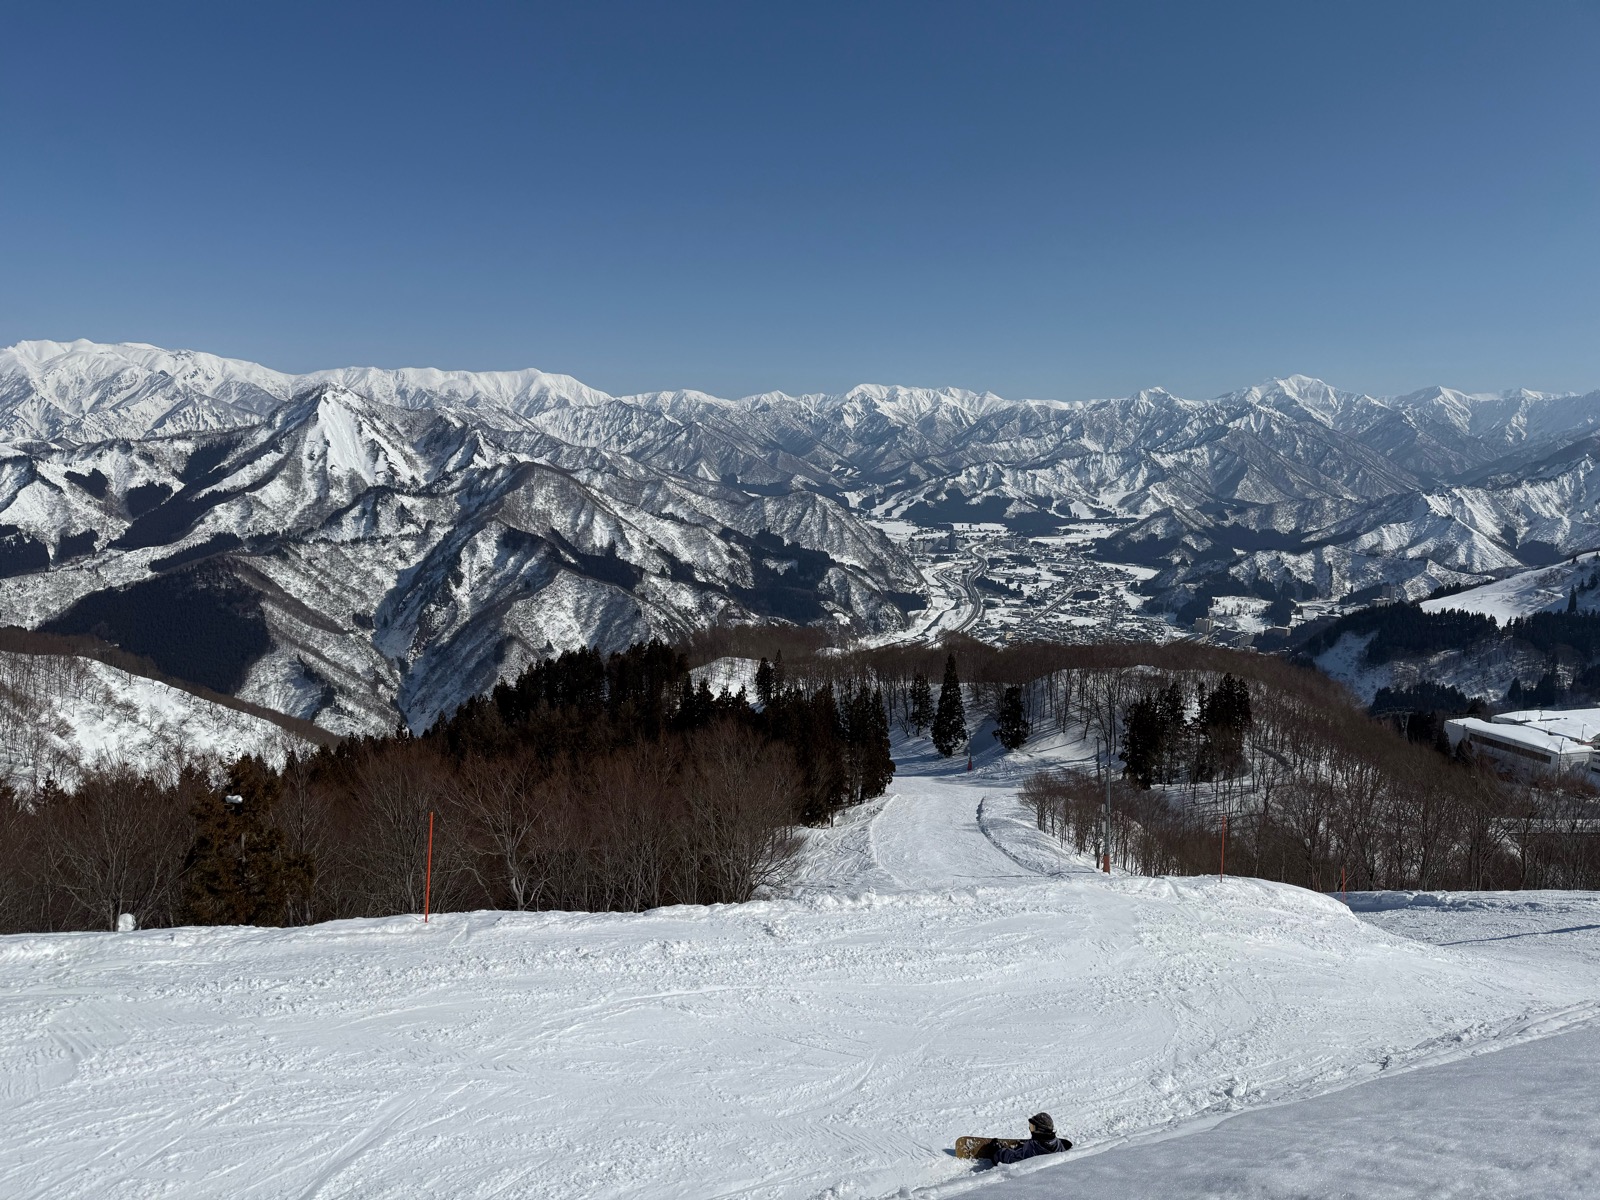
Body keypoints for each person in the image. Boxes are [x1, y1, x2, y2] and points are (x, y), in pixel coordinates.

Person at [989, 1112, 1072, 1164]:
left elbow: (1012, 1159)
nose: (1030, 1129)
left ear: (1040, 1130)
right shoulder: (1057, 1143)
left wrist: (997, 1152)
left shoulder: (1032, 1151)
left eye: (1033, 1127)